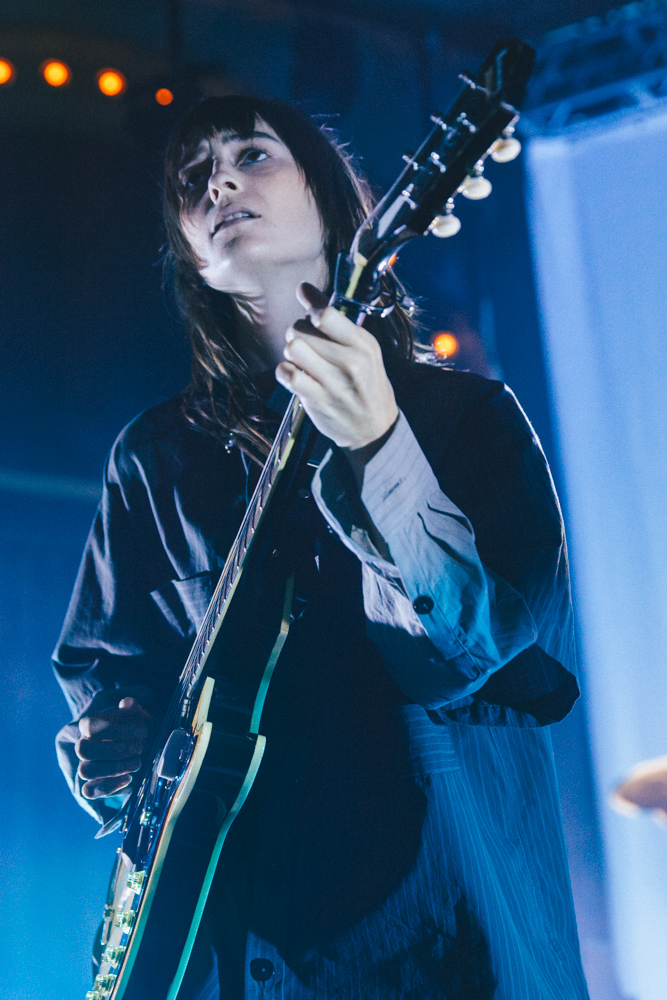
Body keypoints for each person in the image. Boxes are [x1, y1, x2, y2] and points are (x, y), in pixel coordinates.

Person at [54, 95, 590, 999]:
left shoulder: (470, 422)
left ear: (334, 203)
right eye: (193, 179)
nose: (218, 180)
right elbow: (109, 673)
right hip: (226, 947)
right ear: (191, 259)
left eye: (251, 155)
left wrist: (381, 445)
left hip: (437, 942)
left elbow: (485, 650)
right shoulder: (151, 458)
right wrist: (109, 743)